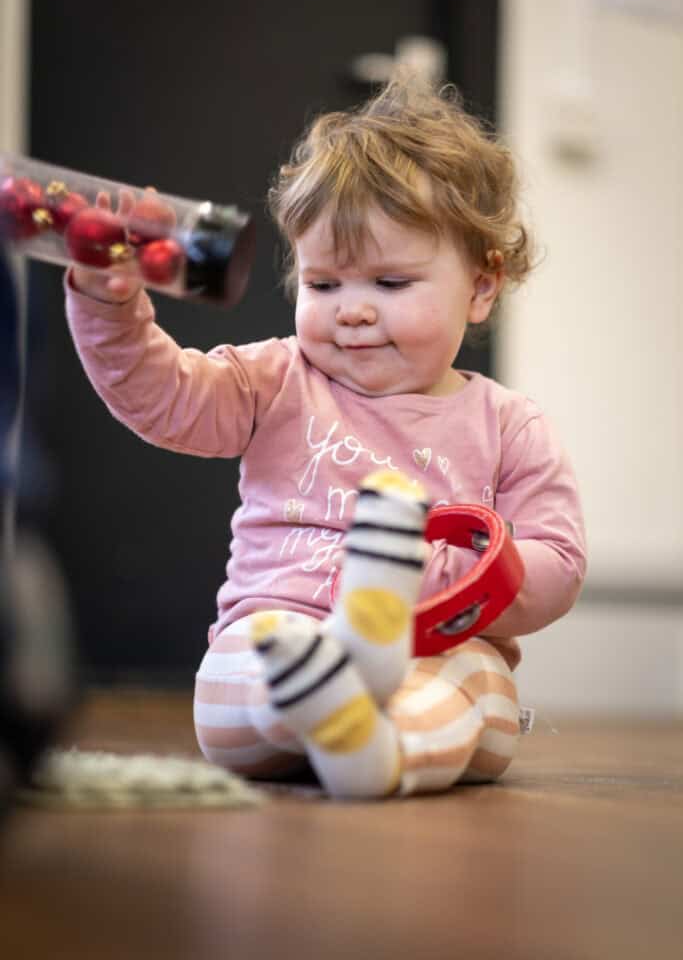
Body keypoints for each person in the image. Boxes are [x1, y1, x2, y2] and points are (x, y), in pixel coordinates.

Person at [64, 77, 586, 798]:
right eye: (325, 284)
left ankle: (381, 747)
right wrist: (109, 308)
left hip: (436, 647)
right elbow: (162, 399)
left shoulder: (507, 423)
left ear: (481, 286)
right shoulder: (275, 378)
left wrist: (430, 576)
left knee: (478, 691)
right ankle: (334, 701)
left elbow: (555, 562)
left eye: (390, 284)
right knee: (234, 684)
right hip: (283, 628)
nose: (353, 313)